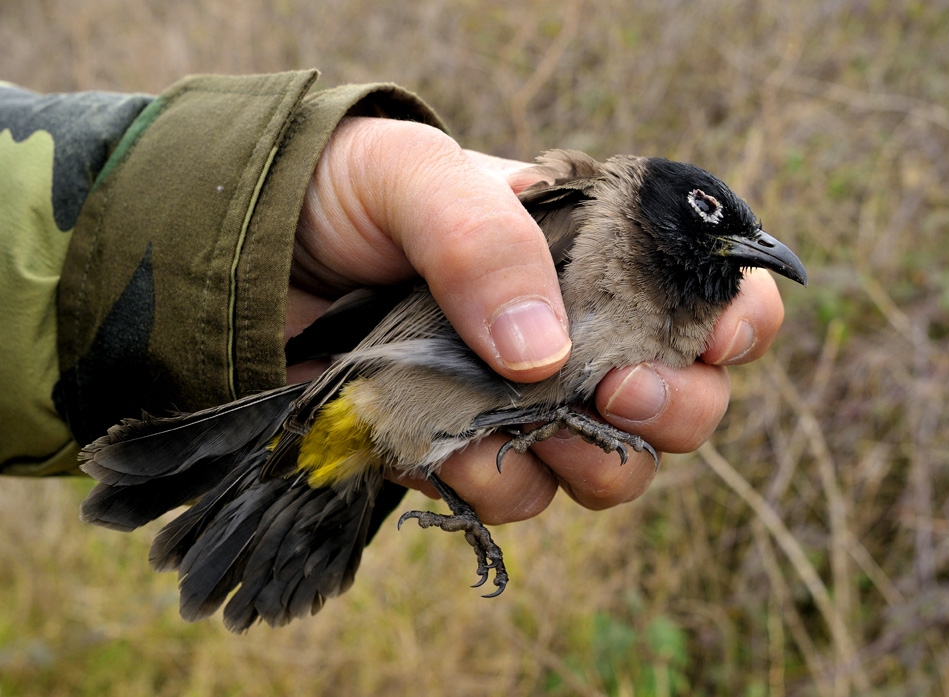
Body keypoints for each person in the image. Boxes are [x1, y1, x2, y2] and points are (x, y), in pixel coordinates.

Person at [0, 70, 785, 526]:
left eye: (752, 247)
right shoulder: (585, 217)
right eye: (718, 227)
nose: (751, 256)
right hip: (373, 384)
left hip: (399, 409)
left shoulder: (678, 312)